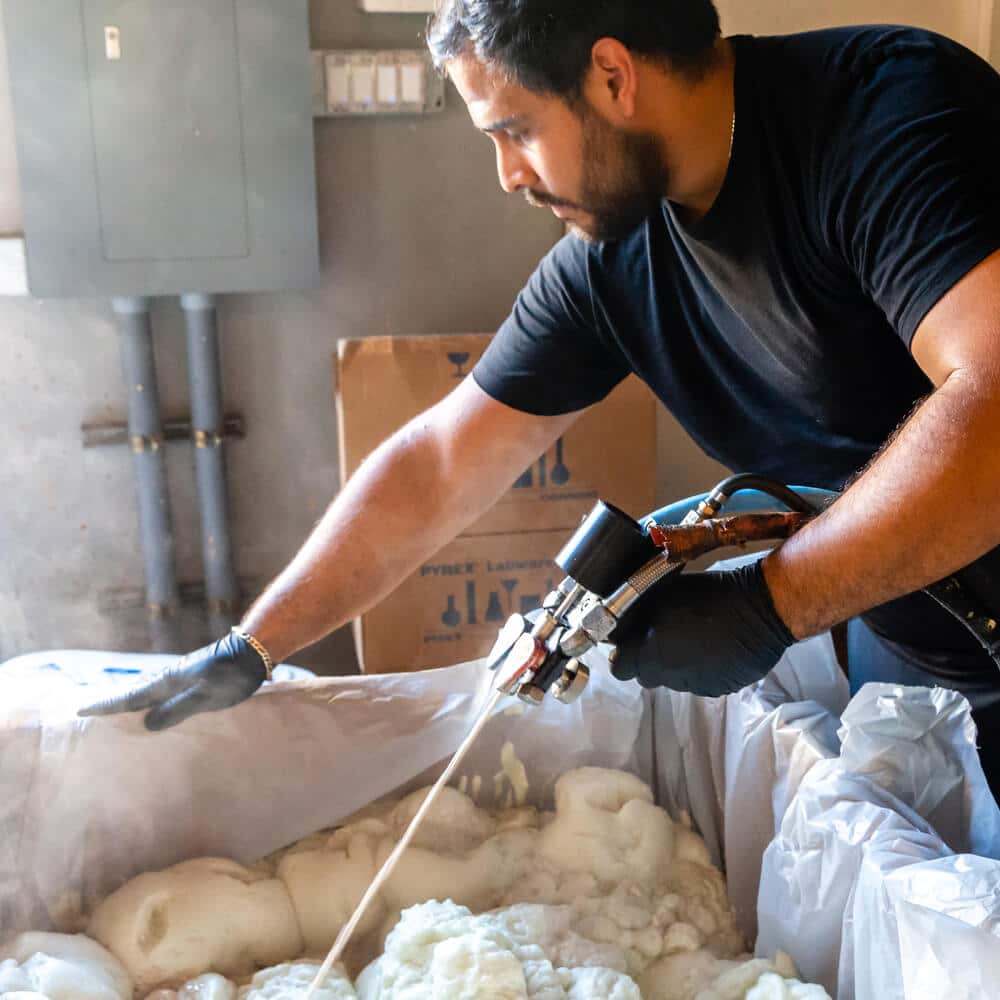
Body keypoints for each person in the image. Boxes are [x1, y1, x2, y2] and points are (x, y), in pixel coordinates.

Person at [81, 1, 1000, 795]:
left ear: (612, 76)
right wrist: (254, 647)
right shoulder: (616, 258)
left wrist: (774, 602)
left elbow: (994, 401)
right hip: (911, 642)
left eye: (515, 130)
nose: (508, 176)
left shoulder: (886, 114)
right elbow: (439, 464)